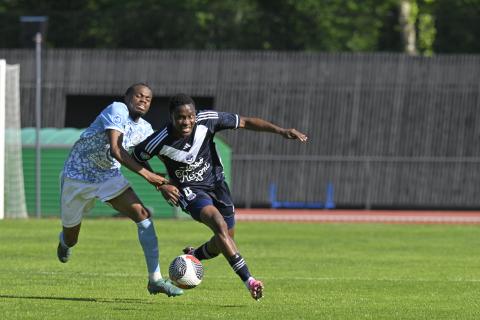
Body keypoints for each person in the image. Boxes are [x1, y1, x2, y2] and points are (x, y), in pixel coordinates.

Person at [132, 93, 308, 300]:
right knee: (219, 224)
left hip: (218, 186)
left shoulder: (208, 119)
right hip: (189, 191)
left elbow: (245, 121)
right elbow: (136, 157)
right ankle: (249, 281)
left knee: (224, 239)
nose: (186, 121)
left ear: (195, 115)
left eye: (190, 116)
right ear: (171, 116)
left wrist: (281, 131)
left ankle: (195, 254)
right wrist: (161, 183)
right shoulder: (160, 139)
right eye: (180, 117)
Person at [57, 83, 183, 297]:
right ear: (127, 97)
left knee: (143, 216)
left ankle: (155, 280)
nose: (143, 100)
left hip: (108, 177)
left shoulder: (145, 129)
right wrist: (153, 179)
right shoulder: (117, 109)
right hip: (77, 177)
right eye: (139, 95)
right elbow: (117, 150)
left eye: (148, 98)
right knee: (71, 238)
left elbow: (143, 156)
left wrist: (167, 181)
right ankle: (64, 242)